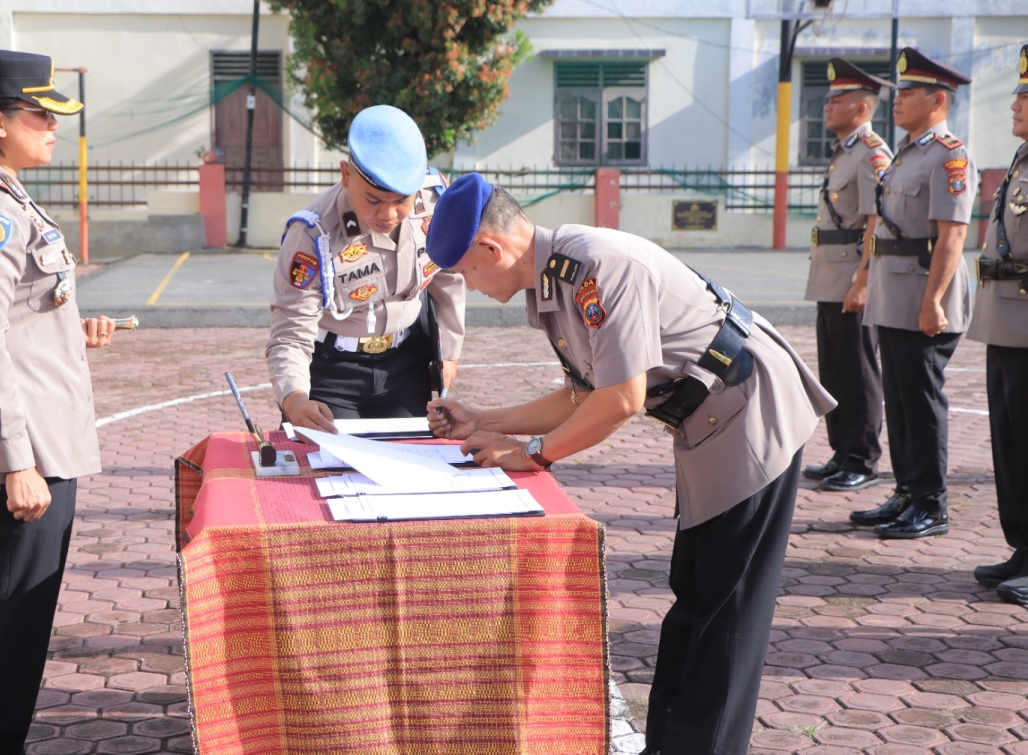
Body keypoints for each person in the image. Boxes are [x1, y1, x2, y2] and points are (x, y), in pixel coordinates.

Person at [424, 173, 835, 755]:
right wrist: (487, 420)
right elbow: (581, 394)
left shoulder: (595, 267)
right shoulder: (552, 282)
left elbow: (620, 399)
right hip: (705, 419)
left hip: (749, 408)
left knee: (727, 612)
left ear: (491, 249)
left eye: (466, 270)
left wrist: (534, 457)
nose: (468, 283)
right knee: (692, 596)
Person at [0, 48, 115, 755]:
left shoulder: (2, 195)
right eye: (41, 115)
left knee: (16, 628)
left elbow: (12, 317)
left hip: (34, 440)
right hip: (17, 453)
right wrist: (17, 461)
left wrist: (73, 326)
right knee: (4, 633)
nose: (52, 128)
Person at [267, 104, 465, 430]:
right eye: (373, 200)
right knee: (335, 469)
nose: (387, 215)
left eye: (401, 201)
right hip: (333, 372)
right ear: (346, 175)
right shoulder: (313, 235)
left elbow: (449, 275)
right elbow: (290, 331)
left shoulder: (434, 202)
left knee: (409, 461)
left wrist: (450, 351)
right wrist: (295, 399)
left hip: (405, 365)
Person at [849, 48, 976, 539]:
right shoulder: (907, 152)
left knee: (921, 404)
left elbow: (953, 236)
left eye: (907, 93)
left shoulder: (949, 155)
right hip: (894, 294)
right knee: (899, 402)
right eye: (897, 93)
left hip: (924, 295)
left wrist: (934, 300)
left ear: (938, 99)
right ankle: (906, 492)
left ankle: (931, 503)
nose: (897, 101)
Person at [802, 59, 891, 493]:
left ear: (860, 107)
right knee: (834, 369)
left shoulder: (873, 152)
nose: (827, 105)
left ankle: (862, 457)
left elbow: (877, 221)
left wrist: (864, 279)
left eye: (837, 99)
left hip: (851, 279)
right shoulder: (846, 150)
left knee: (858, 369)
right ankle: (842, 452)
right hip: (830, 277)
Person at [968, 45, 1028, 604]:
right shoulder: (1021, 159)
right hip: (1007, 323)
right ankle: (1023, 549)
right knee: (1010, 444)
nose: (1014, 102)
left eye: (1025, 95)